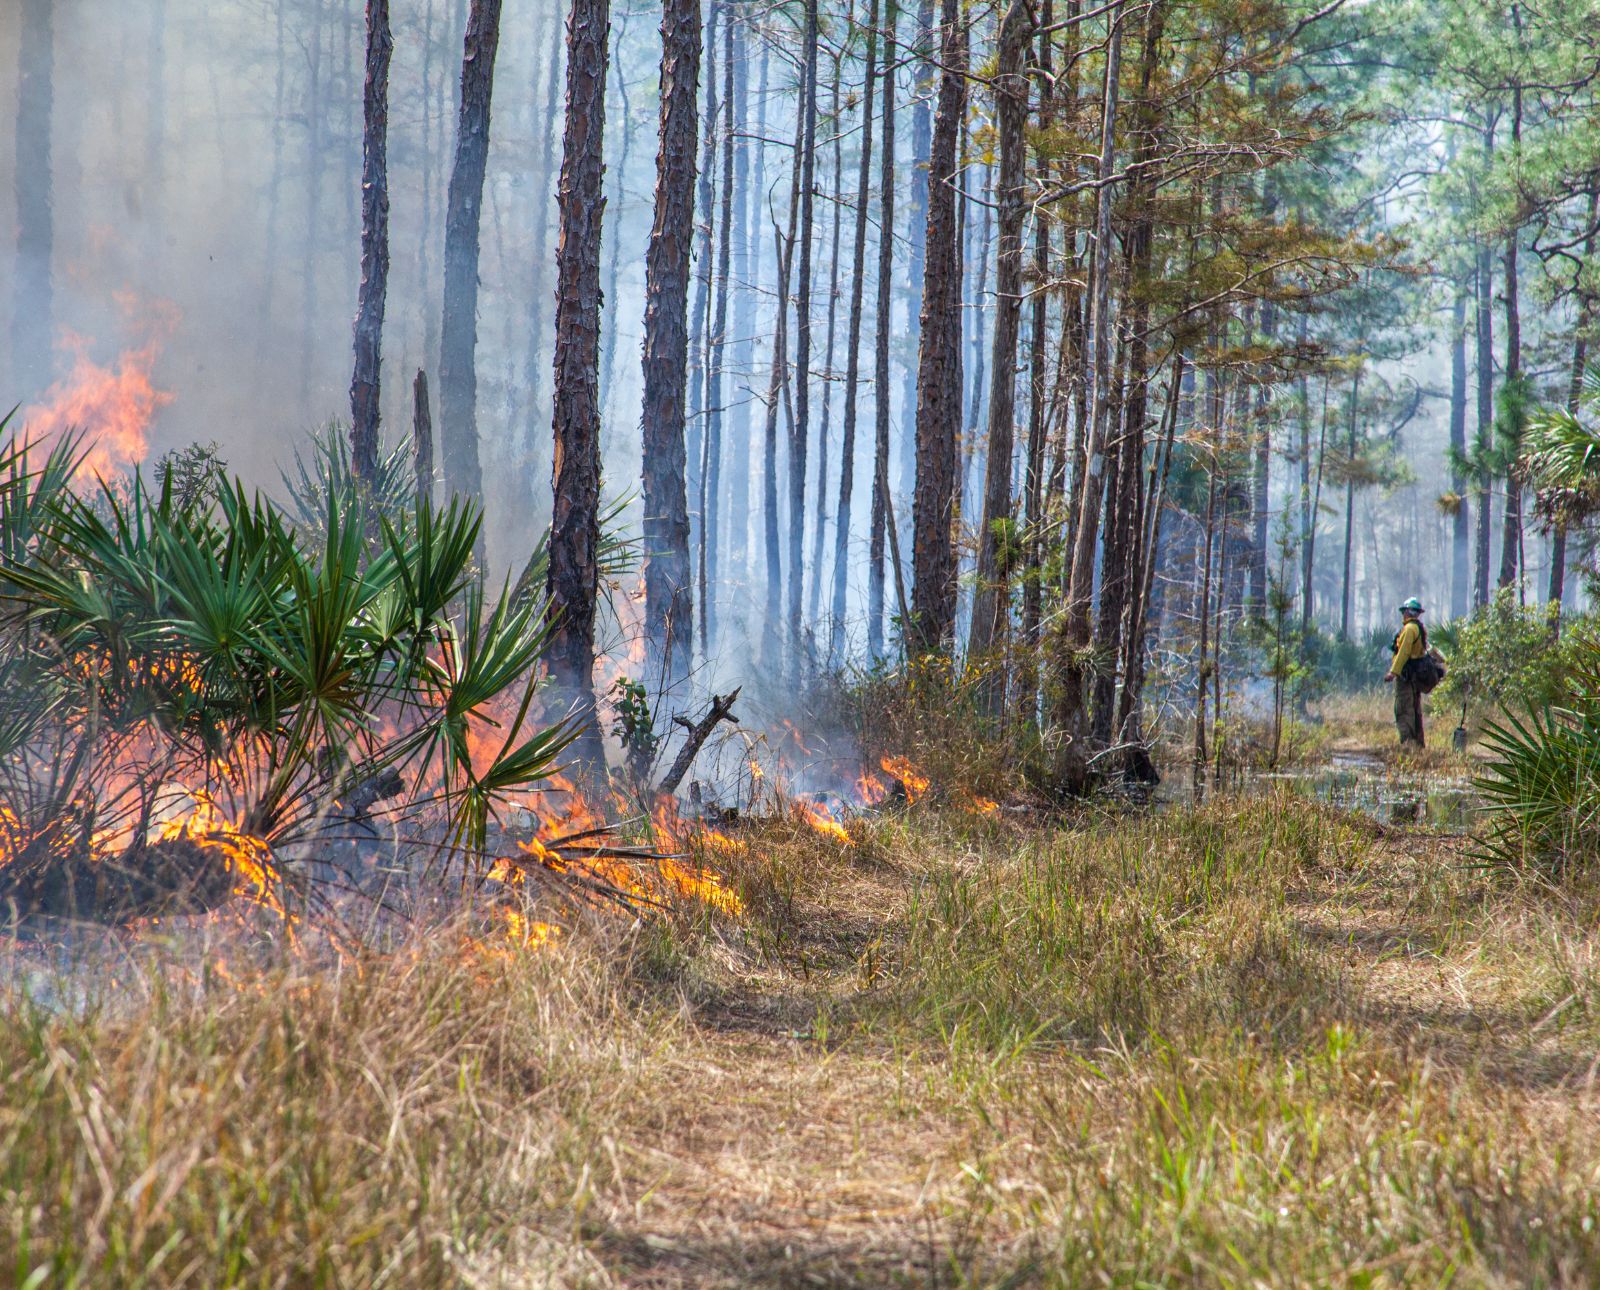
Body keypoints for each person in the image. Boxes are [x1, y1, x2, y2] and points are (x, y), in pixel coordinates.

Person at [1383, 596, 1427, 746]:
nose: (1403, 615)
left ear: (1408, 612)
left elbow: (1403, 653)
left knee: (1403, 710)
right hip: (1414, 679)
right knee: (1414, 710)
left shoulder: (1409, 629)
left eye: (1404, 612)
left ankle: (1408, 746)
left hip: (1405, 678)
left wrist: (1393, 672)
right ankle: (1417, 745)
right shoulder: (1419, 628)